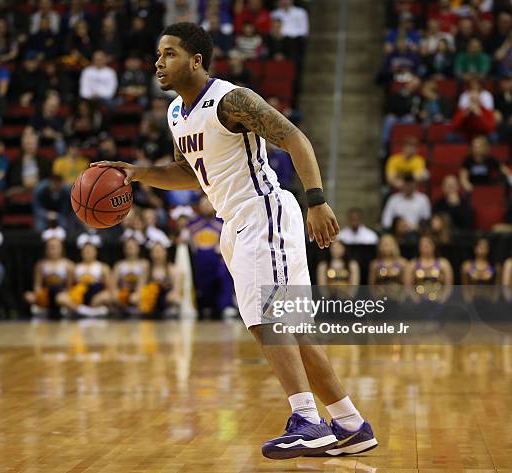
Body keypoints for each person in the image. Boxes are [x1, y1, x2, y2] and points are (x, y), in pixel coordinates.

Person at [91, 22, 376, 457]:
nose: (158, 62)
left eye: (168, 53)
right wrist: (137, 172)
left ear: (196, 60)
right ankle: (350, 424)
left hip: (264, 213)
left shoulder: (231, 99)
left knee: (268, 319)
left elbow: (294, 138)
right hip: (236, 222)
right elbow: (189, 173)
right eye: (158, 54)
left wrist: (316, 199)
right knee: (293, 329)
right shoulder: (175, 114)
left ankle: (307, 419)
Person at [56, 242, 111, 317]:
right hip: (79, 298)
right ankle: (85, 311)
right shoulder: (75, 267)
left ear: (95, 252)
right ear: (81, 253)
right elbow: (69, 287)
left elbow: (108, 288)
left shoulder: (103, 267)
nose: (88, 253)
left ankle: (89, 310)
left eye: (90, 251)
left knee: (107, 296)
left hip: (95, 297)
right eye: (85, 251)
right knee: (60, 297)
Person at [24, 237, 74, 318]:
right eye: (50, 247)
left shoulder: (68, 265)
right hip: (46, 294)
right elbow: (37, 285)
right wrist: (40, 296)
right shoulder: (41, 265)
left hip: (61, 294)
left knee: (62, 298)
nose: (53, 250)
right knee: (28, 296)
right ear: (46, 249)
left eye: (55, 247)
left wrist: (65, 294)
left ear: (61, 249)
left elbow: (70, 286)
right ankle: (46, 308)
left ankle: (61, 307)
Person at [139, 242, 182, 317]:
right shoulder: (147, 269)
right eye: (154, 252)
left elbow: (177, 290)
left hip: (166, 300)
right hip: (150, 300)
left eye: (159, 251)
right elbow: (139, 288)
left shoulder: (173, 269)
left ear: (165, 253)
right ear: (151, 254)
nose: (157, 255)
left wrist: (170, 295)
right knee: (136, 298)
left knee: (176, 299)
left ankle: (170, 313)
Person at [111, 237, 149, 316]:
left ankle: (135, 309)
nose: (130, 250)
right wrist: (117, 295)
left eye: (132, 247)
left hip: (137, 293)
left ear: (138, 248)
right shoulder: (119, 265)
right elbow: (113, 285)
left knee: (137, 298)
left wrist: (137, 294)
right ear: (124, 249)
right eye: (128, 247)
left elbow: (142, 285)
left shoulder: (144, 264)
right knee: (111, 297)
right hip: (123, 293)